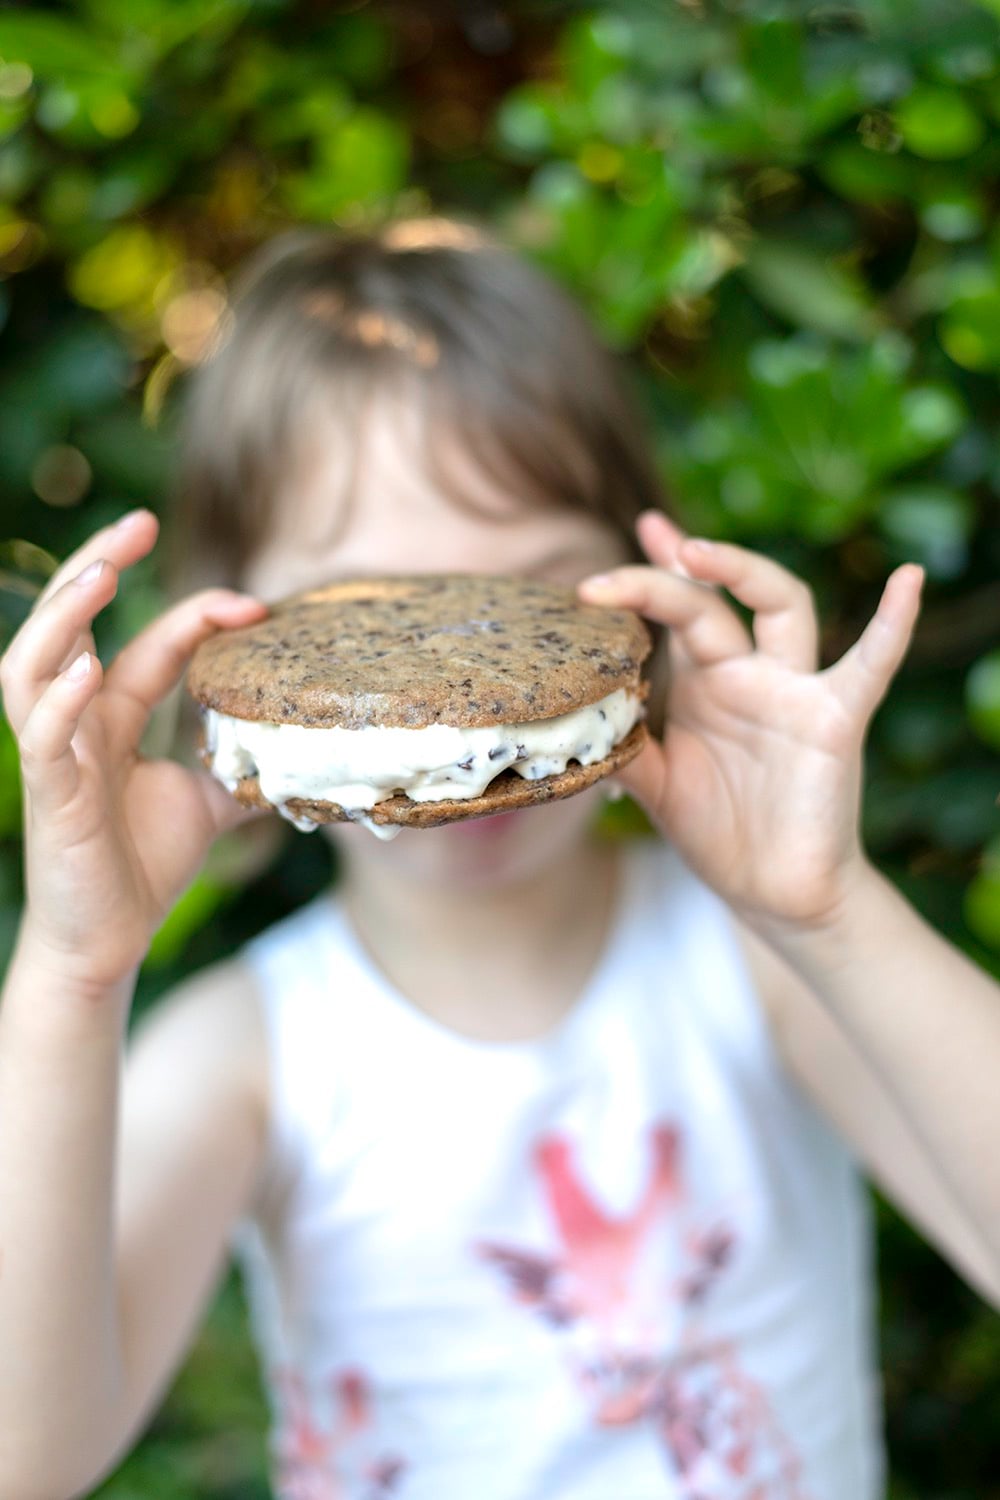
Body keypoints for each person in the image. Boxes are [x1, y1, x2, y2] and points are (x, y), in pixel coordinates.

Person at [1, 213, 998, 1500]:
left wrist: (830, 913)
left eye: (524, 599)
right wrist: (74, 974)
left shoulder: (757, 975)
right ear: (225, 635)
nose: (463, 702)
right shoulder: (251, 1053)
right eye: (367, 612)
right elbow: (26, 1455)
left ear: (638, 598)